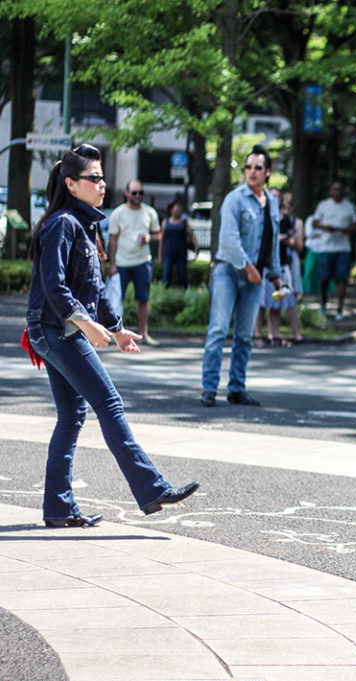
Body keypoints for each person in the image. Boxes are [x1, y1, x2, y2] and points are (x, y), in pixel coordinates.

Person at [25, 144, 199, 527]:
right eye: (94, 178)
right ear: (72, 184)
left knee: (72, 416)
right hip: (54, 329)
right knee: (110, 404)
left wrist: (118, 330)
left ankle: (57, 507)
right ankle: (152, 489)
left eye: (103, 177)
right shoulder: (62, 225)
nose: (103, 184)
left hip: (59, 329)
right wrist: (85, 323)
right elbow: (54, 287)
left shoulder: (85, 226)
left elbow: (97, 290)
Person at [200, 144, 284, 408]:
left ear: (267, 172)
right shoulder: (235, 199)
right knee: (218, 330)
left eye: (258, 167)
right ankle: (209, 388)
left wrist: (276, 276)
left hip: (255, 277)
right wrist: (249, 268)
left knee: (245, 335)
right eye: (248, 167)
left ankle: (236, 388)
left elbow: (272, 244)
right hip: (229, 270)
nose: (252, 172)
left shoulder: (271, 203)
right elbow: (229, 239)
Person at [107, 179, 161, 345]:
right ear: (127, 193)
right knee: (116, 299)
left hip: (142, 262)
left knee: (143, 300)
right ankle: (113, 333)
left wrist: (149, 238)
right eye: (134, 193)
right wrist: (112, 264)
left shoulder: (150, 212)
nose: (138, 196)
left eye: (141, 193)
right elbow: (113, 239)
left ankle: (144, 334)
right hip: (122, 262)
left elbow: (158, 235)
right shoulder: (118, 213)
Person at [256, 191, 303, 347]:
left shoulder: (285, 219)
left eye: (278, 196)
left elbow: (293, 241)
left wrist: (286, 240)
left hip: (281, 264)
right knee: (261, 302)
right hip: (264, 266)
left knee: (277, 302)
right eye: (272, 195)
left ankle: (274, 334)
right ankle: (257, 335)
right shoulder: (262, 214)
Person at [311, 180, 356, 320]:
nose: (337, 192)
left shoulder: (349, 207)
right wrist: (325, 227)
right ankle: (323, 302)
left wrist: (345, 230)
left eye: (339, 189)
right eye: (334, 189)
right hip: (326, 247)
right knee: (324, 278)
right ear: (331, 190)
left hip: (343, 248)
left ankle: (339, 308)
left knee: (342, 279)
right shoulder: (324, 205)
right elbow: (315, 222)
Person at [158, 198, 197, 288]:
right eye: (176, 207)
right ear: (171, 210)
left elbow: (191, 234)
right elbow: (161, 239)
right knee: (166, 276)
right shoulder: (165, 222)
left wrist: (196, 247)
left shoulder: (184, 223)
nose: (178, 210)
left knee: (182, 276)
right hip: (169, 253)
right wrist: (160, 255)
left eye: (179, 208)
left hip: (181, 253)